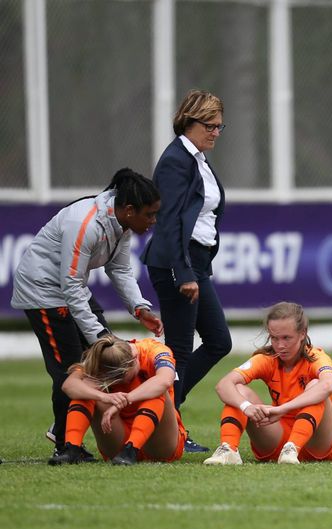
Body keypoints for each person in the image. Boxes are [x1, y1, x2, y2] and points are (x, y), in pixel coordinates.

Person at [10, 168, 164, 463]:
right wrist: (100, 337)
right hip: (42, 290)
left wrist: (139, 307)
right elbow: (70, 284)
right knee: (71, 368)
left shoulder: (123, 224)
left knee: (105, 359)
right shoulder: (86, 224)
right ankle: (66, 445)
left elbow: (118, 269)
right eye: (150, 214)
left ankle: (66, 427)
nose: (153, 221)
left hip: (70, 288)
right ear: (130, 210)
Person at [141, 89, 232, 452]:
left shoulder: (197, 158)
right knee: (177, 349)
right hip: (178, 262)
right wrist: (185, 272)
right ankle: (168, 425)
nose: (214, 132)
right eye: (209, 125)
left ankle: (167, 409)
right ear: (187, 122)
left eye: (220, 126)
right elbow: (171, 221)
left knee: (218, 341)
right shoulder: (176, 160)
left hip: (195, 261)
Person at [203, 302, 332, 465]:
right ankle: (228, 449)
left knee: (316, 385)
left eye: (287, 338)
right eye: (274, 338)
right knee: (239, 391)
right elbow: (223, 385)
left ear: (302, 334)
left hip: (319, 442)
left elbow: (328, 385)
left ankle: (293, 447)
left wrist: (283, 409)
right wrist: (246, 407)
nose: (280, 345)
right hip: (278, 437)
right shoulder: (267, 358)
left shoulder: (316, 356)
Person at [56, 335, 186, 465]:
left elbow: (164, 380)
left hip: (159, 442)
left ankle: (132, 449)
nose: (118, 381)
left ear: (134, 359)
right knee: (85, 392)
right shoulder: (101, 357)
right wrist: (104, 396)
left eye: (121, 376)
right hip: (119, 440)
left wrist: (125, 400)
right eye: (111, 378)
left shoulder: (155, 350)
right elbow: (69, 385)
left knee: (157, 389)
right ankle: (72, 449)